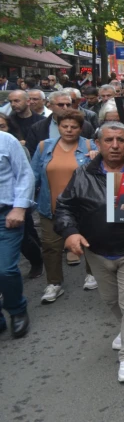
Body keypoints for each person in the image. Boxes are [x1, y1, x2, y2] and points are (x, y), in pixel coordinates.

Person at [55, 122, 124, 382]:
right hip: (97, 252)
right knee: (111, 299)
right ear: (97, 144)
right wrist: (70, 232)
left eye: (121, 140)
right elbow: (65, 207)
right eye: (108, 140)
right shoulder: (82, 174)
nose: (114, 145)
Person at [30, 110, 99, 303]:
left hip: (83, 207)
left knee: (88, 243)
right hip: (49, 206)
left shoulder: (90, 145)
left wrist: (96, 158)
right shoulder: (44, 147)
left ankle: (92, 273)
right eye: (64, 126)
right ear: (58, 126)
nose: (69, 130)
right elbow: (33, 176)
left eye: (74, 127)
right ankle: (54, 283)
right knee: (51, 247)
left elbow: (102, 175)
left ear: (81, 128)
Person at [0, 130, 35, 339]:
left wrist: (20, 207)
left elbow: (24, 174)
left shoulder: (6, 140)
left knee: (5, 269)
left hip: (6, 215)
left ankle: (16, 309)